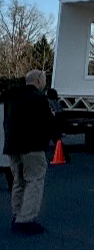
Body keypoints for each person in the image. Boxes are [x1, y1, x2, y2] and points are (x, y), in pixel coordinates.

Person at [1, 69, 58, 234]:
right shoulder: (39, 99)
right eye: (44, 80)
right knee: (34, 180)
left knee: (18, 181)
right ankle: (26, 219)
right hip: (32, 146)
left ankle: (17, 214)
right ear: (39, 81)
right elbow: (48, 123)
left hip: (12, 145)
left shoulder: (12, 97)